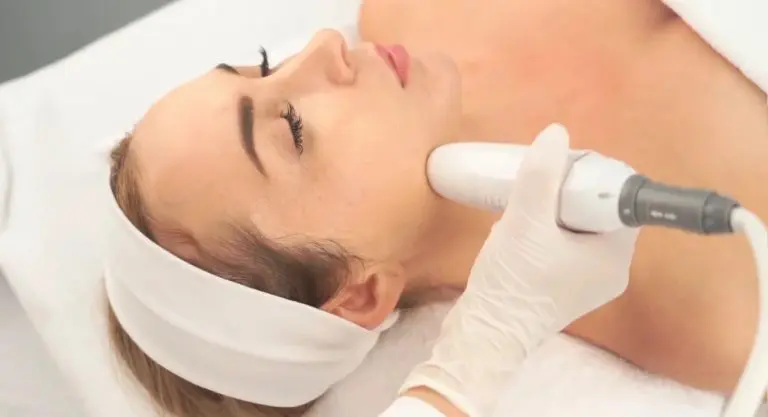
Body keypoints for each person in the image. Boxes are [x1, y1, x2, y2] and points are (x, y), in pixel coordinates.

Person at [105, 0, 767, 416]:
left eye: (263, 66)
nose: (323, 46)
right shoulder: (720, 302)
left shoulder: (417, 7)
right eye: (293, 128)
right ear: (359, 293)